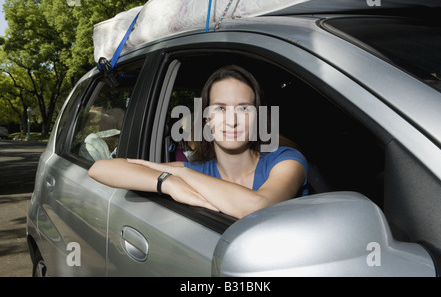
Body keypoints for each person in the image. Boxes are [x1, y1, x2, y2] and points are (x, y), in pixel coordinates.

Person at [88, 65, 308, 219]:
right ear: (207, 118)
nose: (231, 121)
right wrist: (168, 182)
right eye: (220, 108)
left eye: (243, 108)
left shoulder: (286, 161)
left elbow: (258, 207)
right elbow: (100, 169)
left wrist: (182, 174)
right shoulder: (196, 170)